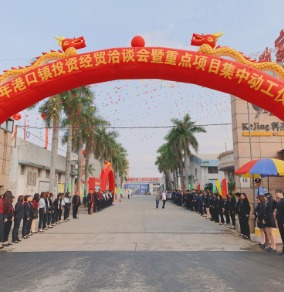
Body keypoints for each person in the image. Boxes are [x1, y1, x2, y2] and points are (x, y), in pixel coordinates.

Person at [275, 190, 284, 255]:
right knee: (282, 235)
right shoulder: (279, 201)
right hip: (279, 220)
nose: (276, 194)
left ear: (281, 193)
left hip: (282, 220)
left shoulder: (283, 201)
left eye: (277, 193)